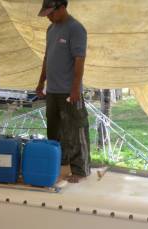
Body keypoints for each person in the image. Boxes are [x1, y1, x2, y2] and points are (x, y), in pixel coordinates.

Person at [36, 0, 90, 183]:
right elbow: (47, 58)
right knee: (54, 131)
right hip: (52, 90)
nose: (49, 17)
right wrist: (40, 82)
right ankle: (60, 164)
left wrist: (75, 89)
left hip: (69, 91)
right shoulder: (51, 30)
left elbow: (79, 60)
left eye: (51, 13)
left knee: (75, 130)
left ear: (62, 8)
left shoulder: (75, 28)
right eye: (47, 14)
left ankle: (80, 170)